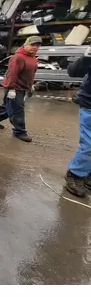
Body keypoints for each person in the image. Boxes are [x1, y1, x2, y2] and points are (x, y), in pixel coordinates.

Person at [0, 36, 41, 142]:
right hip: (14, 87)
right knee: (17, 110)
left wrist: (31, 86)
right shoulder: (18, 57)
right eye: (32, 45)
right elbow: (12, 74)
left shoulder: (33, 58)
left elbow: (30, 74)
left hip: (22, 87)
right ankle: (20, 132)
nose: (35, 47)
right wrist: (11, 89)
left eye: (37, 45)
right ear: (25, 44)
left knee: (8, 106)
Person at [65, 46, 91, 198]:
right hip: (90, 104)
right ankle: (75, 174)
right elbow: (73, 72)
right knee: (89, 144)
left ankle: (87, 173)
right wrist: (86, 57)